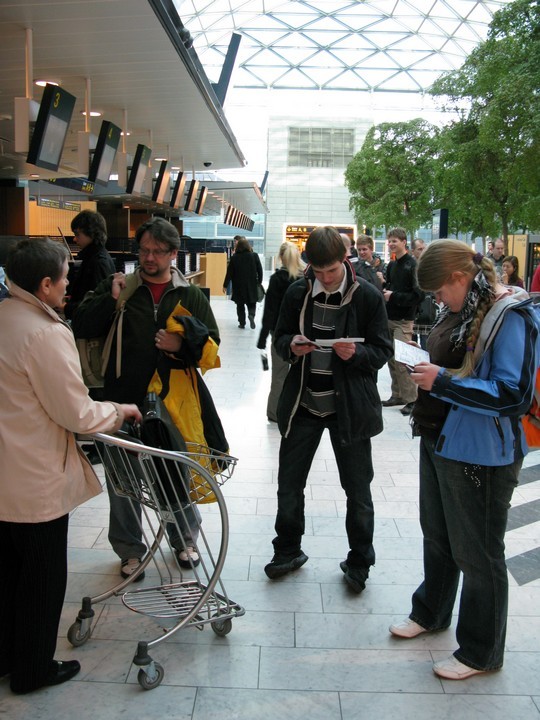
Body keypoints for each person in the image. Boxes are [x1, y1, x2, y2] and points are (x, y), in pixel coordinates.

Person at [389, 240, 540, 680]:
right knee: (437, 534)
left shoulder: (507, 314)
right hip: (439, 437)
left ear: (459, 276)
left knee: (478, 552)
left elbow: (513, 394)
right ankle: (432, 611)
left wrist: (444, 383)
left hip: (482, 453)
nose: (437, 299)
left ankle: (480, 651)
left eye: (439, 290)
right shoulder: (461, 308)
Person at [0, 238, 141, 695]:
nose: (67, 284)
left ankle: (6, 658)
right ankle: (34, 669)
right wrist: (118, 411)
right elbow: (76, 413)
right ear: (44, 285)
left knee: (6, 576)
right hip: (33, 478)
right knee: (41, 580)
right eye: (64, 276)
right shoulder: (45, 332)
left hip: (5, 474)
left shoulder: (3, 316)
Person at [72, 218, 222, 579]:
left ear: (173, 254)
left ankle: (184, 538)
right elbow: (80, 323)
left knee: (172, 472)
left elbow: (212, 344)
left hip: (172, 402)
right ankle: (130, 550)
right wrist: (109, 300)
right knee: (122, 479)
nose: (149, 257)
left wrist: (181, 345)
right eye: (144, 250)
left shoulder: (191, 296)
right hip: (122, 397)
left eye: (157, 251)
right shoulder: (120, 286)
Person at [264, 226, 393, 593]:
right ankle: (287, 550)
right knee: (289, 485)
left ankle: (359, 561)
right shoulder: (297, 292)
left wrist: (358, 354)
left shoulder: (366, 296)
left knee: (357, 490)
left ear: (345, 260)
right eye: (318, 272)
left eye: (331, 271)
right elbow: (280, 339)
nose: (324, 279)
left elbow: (383, 351)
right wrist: (293, 346)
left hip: (347, 409)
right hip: (304, 405)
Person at [256, 241, 305, 422]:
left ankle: (275, 413)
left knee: (279, 376)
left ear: (281, 258)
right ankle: (299, 412)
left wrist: (262, 339)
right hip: (302, 335)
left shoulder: (277, 279)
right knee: (302, 376)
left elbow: (269, 311)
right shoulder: (306, 278)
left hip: (280, 334)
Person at [381, 227, 424, 415]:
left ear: (404, 242)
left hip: (404, 320)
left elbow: (419, 294)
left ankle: (412, 399)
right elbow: (390, 287)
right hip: (390, 317)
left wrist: (394, 296)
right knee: (391, 359)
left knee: (402, 360)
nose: (391, 244)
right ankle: (397, 394)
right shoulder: (392, 265)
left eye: (394, 241)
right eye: (389, 241)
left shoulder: (412, 265)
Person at [63, 210, 116, 320]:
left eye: (77, 234)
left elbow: (95, 306)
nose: (74, 239)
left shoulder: (98, 262)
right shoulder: (97, 258)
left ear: (92, 233)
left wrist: (66, 307)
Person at [222, 235, 263, 329]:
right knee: (252, 302)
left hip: (238, 285)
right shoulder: (254, 255)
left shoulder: (235, 257)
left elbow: (229, 273)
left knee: (240, 305)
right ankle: (251, 315)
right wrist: (259, 282)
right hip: (252, 284)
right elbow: (259, 270)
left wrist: (225, 285)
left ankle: (242, 323)